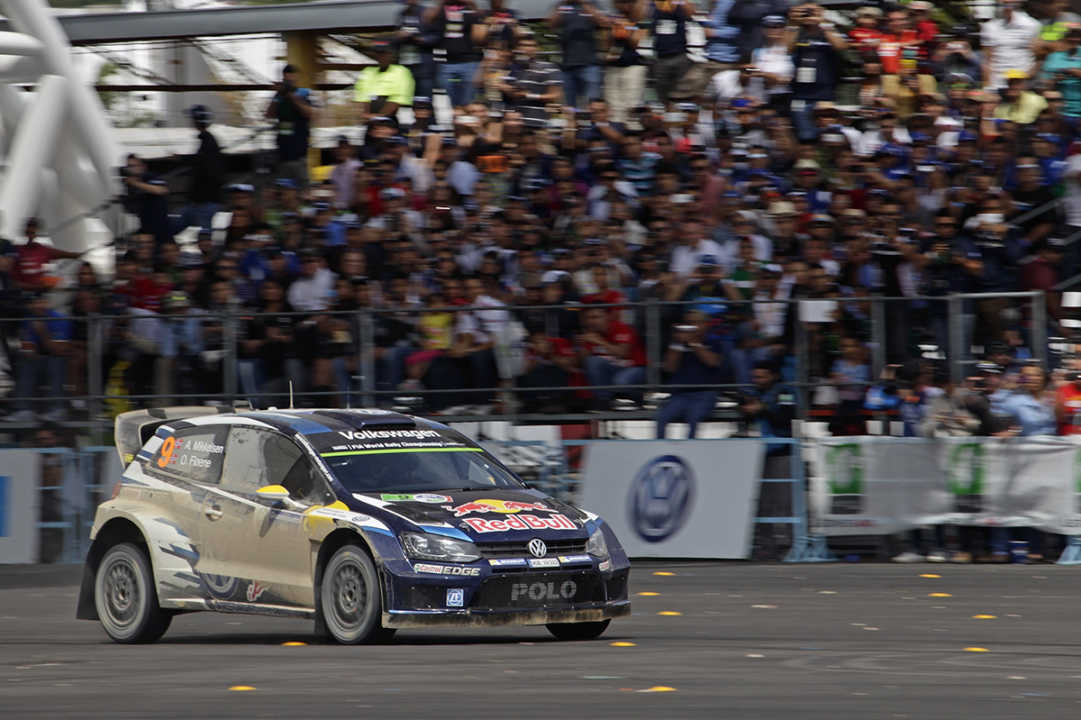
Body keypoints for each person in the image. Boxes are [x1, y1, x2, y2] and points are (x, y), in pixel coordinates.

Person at [656, 310, 723, 438]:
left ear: (705, 324)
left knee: (693, 417)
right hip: (680, 395)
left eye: (696, 323)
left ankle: (690, 452)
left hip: (705, 394)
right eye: (689, 323)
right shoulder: (677, 344)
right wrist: (678, 344)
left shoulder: (713, 341)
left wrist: (693, 343)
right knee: (661, 418)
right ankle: (661, 451)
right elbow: (670, 367)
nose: (693, 326)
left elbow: (713, 362)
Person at [264, 64, 315, 187]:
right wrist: (278, 95)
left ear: (297, 77)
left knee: (303, 191)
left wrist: (291, 95)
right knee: (283, 191)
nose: (289, 78)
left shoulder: (304, 92)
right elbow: (269, 115)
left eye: (292, 75)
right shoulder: (279, 96)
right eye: (287, 76)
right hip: (283, 155)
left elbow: (309, 113)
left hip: (299, 154)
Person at [551, 0, 603, 109]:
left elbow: (602, 22)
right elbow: (551, 24)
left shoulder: (592, 3)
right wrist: (564, 4)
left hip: (590, 64)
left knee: (593, 104)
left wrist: (584, 3)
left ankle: (592, 125)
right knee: (569, 108)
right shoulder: (562, 5)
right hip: (567, 65)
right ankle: (572, 125)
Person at [981, 0, 1041, 89]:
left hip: (1022, 83)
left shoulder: (1032, 25)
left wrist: (1029, 76)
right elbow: (987, 60)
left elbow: (1038, 56)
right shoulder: (989, 27)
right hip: (998, 84)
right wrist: (988, 86)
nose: (1007, 4)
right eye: (1004, 2)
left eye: (1010, 2)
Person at [354, 38, 416, 123]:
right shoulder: (368, 71)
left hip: (388, 120)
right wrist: (367, 114)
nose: (380, 56)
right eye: (377, 53)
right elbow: (362, 96)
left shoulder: (401, 71)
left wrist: (380, 116)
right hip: (370, 120)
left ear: (391, 54)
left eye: (383, 53)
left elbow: (398, 98)